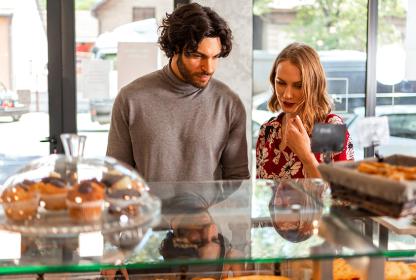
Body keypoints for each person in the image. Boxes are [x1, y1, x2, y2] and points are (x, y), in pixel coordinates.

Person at [107, 3, 249, 182]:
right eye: (198, 56)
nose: (209, 68)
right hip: (149, 210)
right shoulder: (131, 99)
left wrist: (212, 209)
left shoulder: (229, 103)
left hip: (207, 210)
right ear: (175, 48)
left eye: (215, 57)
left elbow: (238, 179)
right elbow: (115, 175)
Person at [256, 43, 354, 179]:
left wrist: (306, 156)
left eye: (298, 86)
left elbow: (341, 194)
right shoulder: (268, 130)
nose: (287, 95)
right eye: (281, 83)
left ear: (314, 85)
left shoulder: (328, 127)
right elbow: (262, 191)